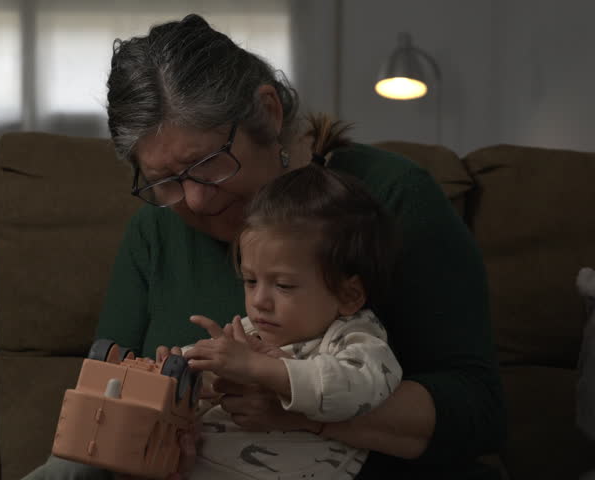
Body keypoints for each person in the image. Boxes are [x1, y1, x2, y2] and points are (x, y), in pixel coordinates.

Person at [25, 13, 505, 480]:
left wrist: (296, 407)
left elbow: (477, 412)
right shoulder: (153, 233)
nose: (194, 198)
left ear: (269, 113)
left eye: (208, 164)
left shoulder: (390, 199)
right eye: (165, 180)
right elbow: (107, 406)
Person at [177, 163, 403, 479]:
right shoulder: (251, 331)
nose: (259, 301)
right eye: (250, 281)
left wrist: (256, 368)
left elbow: (352, 391)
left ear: (349, 295)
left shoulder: (355, 338)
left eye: (283, 285)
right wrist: (182, 371)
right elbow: (215, 379)